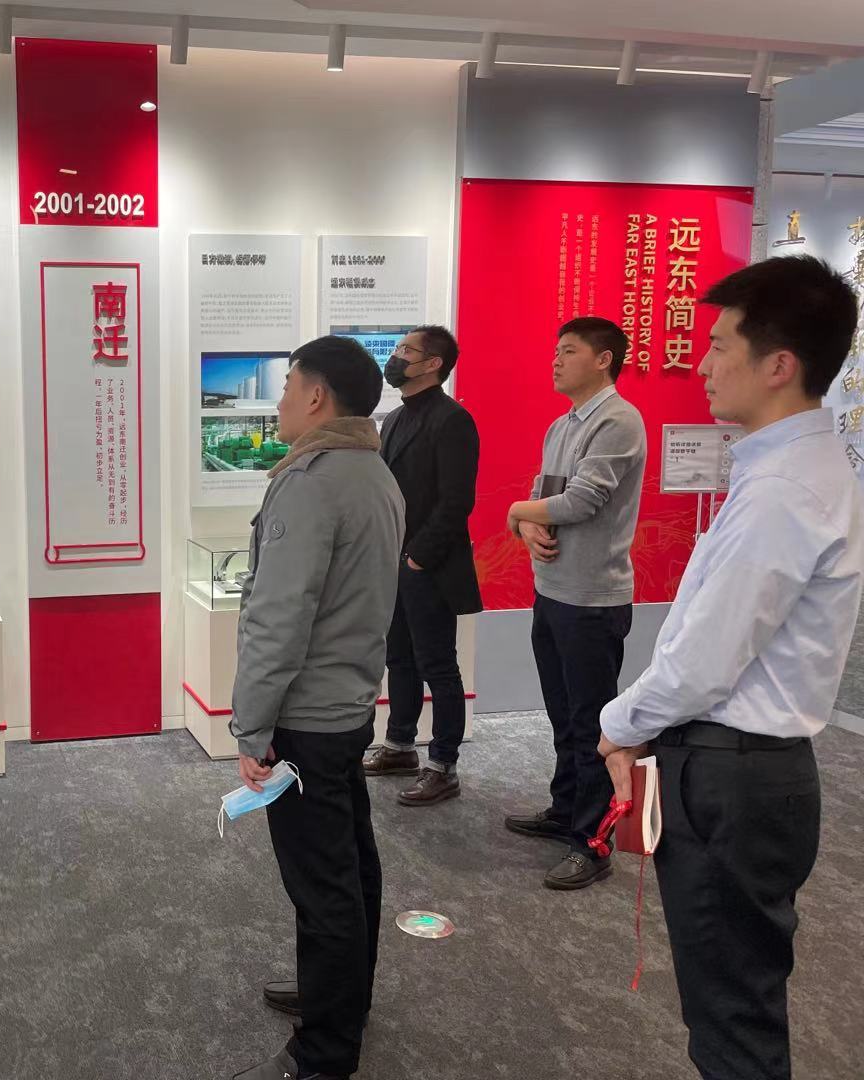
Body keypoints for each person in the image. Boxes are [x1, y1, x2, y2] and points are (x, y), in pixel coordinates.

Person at [599, 256, 863, 1080]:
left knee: (732, 1021)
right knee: (732, 1001)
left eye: (719, 346)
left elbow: (705, 660)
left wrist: (617, 726)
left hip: (734, 775)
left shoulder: (785, 487)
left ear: (778, 365)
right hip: (743, 770)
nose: (703, 363)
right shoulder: (788, 471)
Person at [229, 335, 403, 1080]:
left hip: (305, 716)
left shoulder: (311, 482)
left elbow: (279, 616)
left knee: (322, 883)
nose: (279, 400)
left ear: (317, 395)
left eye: (287, 384)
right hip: (347, 703)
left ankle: (324, 1054)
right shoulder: (373, 471)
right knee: (350, 862)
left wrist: (251, 727)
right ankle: (342, 996)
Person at [504, 316, 645, 890]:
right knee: (563, 715)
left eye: (568, 351)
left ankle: (594, 841)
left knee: (591, 724)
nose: (556, 360)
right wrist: (524, 525)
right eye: (556, 350)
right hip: (553, 592)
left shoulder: (618, 420)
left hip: (592, 599)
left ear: (604, 358)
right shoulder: (562, 424)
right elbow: (545, 498)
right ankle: (566, 810)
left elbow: (582, 501)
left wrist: (517, 512)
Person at [361, 325, 483, 804]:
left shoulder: (453, 420)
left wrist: (417, 557)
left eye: (406, 350)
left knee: (438, 665)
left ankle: (443, 764)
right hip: (394, 561)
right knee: (399, 658)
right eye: (397, 348)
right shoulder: (393, 418)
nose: (395, 356)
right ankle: (399, 745)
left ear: (433, 364)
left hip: (429, 565)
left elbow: (456, 502)